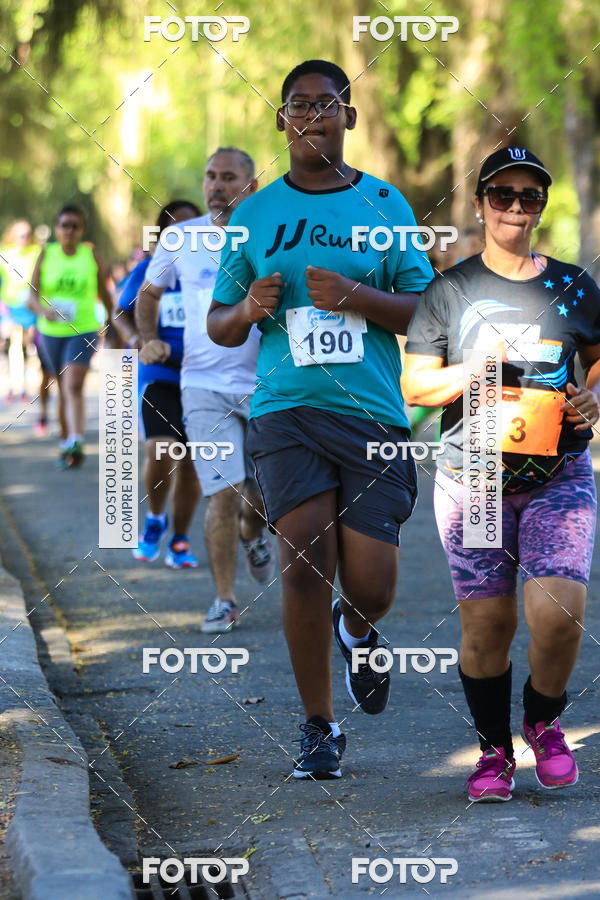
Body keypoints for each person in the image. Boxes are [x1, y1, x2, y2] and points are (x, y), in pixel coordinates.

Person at [206, 60, 434, 779]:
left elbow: (429, 312)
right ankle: (319, 726)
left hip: (371, 412)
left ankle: (359, 628)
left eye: (327, 103)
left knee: (372, 586)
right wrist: (248, 310)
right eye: (298, 105)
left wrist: (360, 297)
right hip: (287, 409)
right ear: (281, 122)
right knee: (305, 563)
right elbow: (219, 322)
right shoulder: (254, 214)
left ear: (350, 118)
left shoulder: (386, 204)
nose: (313, 114)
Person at [402, 147, 600, 801]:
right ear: (481, 202)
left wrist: (593, 394)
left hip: (560, 475)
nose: (517, 207)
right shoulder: (449, 289)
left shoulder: (573, 284)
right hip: (473, 480)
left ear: (542, 206)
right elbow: (415, 383)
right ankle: (492, 752)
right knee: (487, 627)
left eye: (531, 196)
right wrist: (484, 370)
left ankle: (542, 722)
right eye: (503, 195)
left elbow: (598, 361)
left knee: (559, 616)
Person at [136, 148, 275, 630]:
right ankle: (224, 599)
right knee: (223, 492)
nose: (216, 186)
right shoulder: (180, 237)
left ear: (250, 185)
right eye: (210, 176)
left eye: (228, 177)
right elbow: (149, 294)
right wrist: (148, 339)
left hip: (268, 386)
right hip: (202, 387)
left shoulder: (274, 236)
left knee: (262, 497)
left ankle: (253, 533)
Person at [113, 200, 202, 568]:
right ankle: (154, 518)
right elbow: (121, 312)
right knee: (162, 450)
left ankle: (179, 539)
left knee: (193, 462)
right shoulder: (149, 268)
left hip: (201, 376)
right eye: (174, 228)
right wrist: (139, 340)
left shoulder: (211, 267)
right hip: (160, 375)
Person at [28, 205, 113, 468]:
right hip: (51, 332)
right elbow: (31, 295)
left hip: (84, 330)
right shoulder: (47, 254)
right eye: (64, 225)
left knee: (73, 385)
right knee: (63, 389)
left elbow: (105, 292)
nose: (69, 230)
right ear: (56, 229)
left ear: (82, 230)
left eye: (75, 226)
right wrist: (43, 310)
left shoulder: (90, 256)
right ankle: (67, 443)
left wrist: (114, 322)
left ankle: (76, 439)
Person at [0, 221, 41, 406]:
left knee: (25, 347)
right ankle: (10, 387)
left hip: (28, 307)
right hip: (9, 306)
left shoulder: (36, 252)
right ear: (13, 235)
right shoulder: (4, 253)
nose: (23, 239)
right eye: (20, 235)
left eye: (27, 234)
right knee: (9, 345)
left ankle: (23, 388)